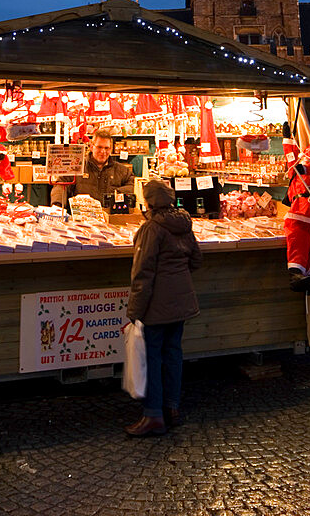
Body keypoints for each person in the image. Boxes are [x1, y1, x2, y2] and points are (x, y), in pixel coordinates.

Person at [125, 177, 202, 436]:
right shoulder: (184, 224)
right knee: (173, 354)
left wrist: (134, 313)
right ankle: (172, 408)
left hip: (157, 305)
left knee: (152, 358)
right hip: (181, 302)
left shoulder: (151, 229)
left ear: (148, 202)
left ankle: (153, 415)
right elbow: (196, 260)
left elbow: (142, 275)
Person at [50, 129, 135, 207]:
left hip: (110, 219)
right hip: (81, 218)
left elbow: (133, 185)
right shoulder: (76, 166)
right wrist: (57, 204)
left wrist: (116, 193)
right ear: (91, 147)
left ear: (111, 149)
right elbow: (61, 185)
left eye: (106, 148)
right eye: (99, 147)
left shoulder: (121, 170)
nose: (103, 152)